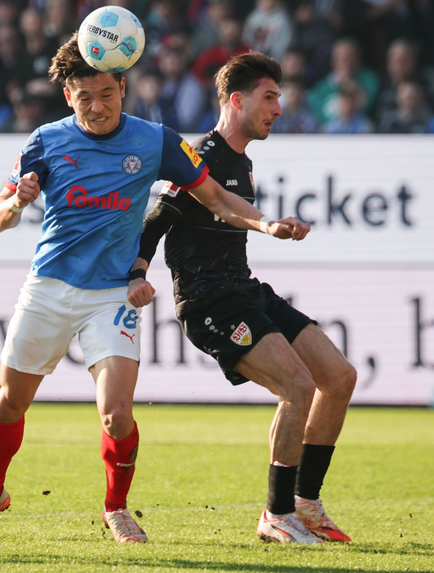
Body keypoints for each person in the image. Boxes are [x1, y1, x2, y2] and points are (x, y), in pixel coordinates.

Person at [0, 35, 302, 544]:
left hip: (111, 295)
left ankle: (117, 508)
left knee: (117, 413)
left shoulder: (156, 140)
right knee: (8, 406)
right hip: (48, 288)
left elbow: (216, 197)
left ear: (122, 87)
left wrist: (266, 226)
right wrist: (16, 202)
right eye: (85, 97)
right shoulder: (46, 140)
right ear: (69, 97)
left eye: (107, 93)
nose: (97, 106)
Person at [132, 51, 356, 544]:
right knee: (297, 386)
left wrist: (276, 224)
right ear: (236, 100)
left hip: (244, 289)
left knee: (338, 378)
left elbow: (234, 215)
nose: (279, 107)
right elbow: (154, 223)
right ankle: (277, 515)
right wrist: (138, 273)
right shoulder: (198, 156)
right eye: (270, 97)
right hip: (209, 301)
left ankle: (306, 504)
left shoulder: (243, 163)